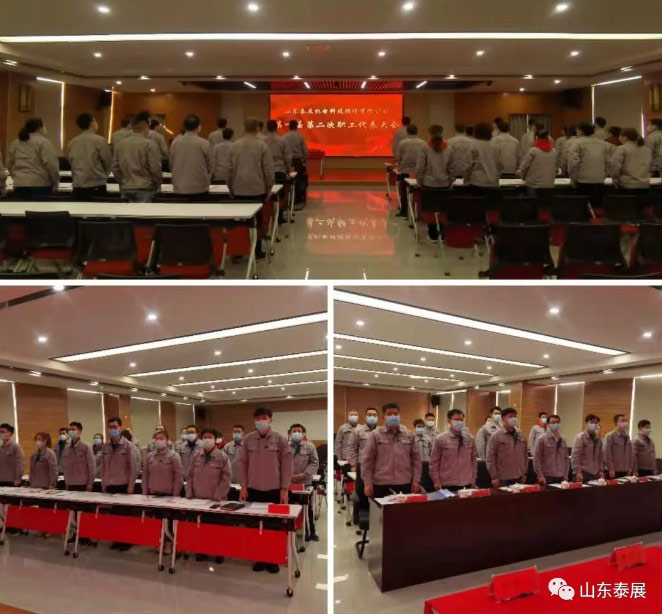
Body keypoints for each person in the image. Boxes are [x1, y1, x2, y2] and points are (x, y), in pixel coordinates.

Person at [238, 407, 293, 573]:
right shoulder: (248, 439)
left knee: (273, 526)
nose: (261, 421)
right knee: (255, 525)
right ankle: (260, 557)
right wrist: (243, 486)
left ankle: (273, 559)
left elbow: (287, 465)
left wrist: (284, 488)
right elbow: (242, 463)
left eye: (264, 418)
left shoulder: (280, 439)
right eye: (258, 418)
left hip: (274, 490)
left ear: (270, 420)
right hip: (253, 489)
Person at [361, 403, 422, 499]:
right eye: (389, 414)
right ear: (383, 417)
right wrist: (367, 483)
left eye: (395, 414)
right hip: (382, 483)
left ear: (399, 415)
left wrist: (416, 480)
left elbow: (416, 460)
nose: (393, 416)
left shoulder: (409, 435)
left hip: (404, 482)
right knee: (382, 509)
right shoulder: (375, 435)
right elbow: (367, 461)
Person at [142, 429, 183, 555]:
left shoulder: (174, 456)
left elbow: (178, 476)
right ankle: (159, 540)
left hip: (169, 495)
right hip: (154, 493)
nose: (158, 441)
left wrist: (176, 495)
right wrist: (145, 492)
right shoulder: (150, 456)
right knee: (157, 520)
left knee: (169, 521)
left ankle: (169, 542)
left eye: (161, 438)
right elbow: (145, 475)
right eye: (156, 439)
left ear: (167, 440)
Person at [112, 109, 162, 202]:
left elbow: (115, 168)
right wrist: (157, 184)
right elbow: (155, 168)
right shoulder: (150, 145)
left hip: (126, 187)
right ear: (146, 128)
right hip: (145, 187)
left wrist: (122, 182)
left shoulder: (120, 145)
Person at [415, 125, 454, 241]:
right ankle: (442, 233)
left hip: (428, 184)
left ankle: (432, 235)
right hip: (444, 184)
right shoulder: (449, 148)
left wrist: (419, 181)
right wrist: (450, 181)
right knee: (443, 210)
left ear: (430, 133)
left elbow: (420, 167)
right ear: (442, 133)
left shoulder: (424, 147)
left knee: (430, 210)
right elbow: (452, 168)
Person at [7, 117, 59, 199]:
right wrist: (55, 181)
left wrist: (16, 177)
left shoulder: (15, 143)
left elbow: (10, 164)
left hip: (19, 184)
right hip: (40, 184)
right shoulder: (43, 142)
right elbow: (51, 164)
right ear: (39, 128)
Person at [66, 112, 112, 200]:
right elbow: (107, 161)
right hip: (96, 184)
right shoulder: (99, 140)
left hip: (78, 184)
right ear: (92, 122)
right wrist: (103, 175)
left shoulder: (72, 142)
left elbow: (70, 161)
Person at [430, 409, 478, 491]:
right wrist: (436, 480)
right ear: (449, 421)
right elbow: (434, 462)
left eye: (461, 420)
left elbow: (473, 460)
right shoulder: (440, 439)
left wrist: (474, 477)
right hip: (447, 483)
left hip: (466, 482)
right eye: (456, 420)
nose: (459, 422)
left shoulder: (470, 438)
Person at [567, 121, 611, 209]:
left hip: (582, 180)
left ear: (580, 131)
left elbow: (573, 163)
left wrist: (573, 178)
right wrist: (604, 175)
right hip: (599, 180)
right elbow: (608, 162)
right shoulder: (603, 144)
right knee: (597, 207)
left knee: (583, 207)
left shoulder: (577, 143)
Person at [169, 114, 213, 198]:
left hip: (179, 187)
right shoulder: (204, 143)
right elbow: (211, 165)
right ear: (198, 127)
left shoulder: (175, 143)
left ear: (184, 127)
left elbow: (171, 164)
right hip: (199, 187)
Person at [289, 424, 319, 541]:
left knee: (307, 508)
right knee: (289, 508)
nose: (296, 433)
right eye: (294, 431)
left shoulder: (309, 446)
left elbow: (314, 463)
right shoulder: (285, 447)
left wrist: (303, 475)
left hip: (305, 482)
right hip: (289, 483)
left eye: (299, 431)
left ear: (303, 434)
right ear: (290, 433)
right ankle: (291, 531)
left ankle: (311, 532)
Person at [486, 407, 528, 487]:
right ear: (503, 419)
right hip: (503, 478)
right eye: (510, 417)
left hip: (519, 476)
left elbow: (525, 455)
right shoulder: (496, 436)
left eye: (515, 416)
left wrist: (524, 473)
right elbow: (490, 457)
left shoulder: (520, 434)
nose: (514, 419)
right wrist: (494, 477)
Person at [395, 124, 426, 217]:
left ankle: (404, 212)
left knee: (404, 192)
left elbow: (398, 157)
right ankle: (420, 212)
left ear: (407, 132)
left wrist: (401, 164)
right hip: (418, 171)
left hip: (405, 170)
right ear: (417, 131)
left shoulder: (402, 143)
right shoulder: (423, 143)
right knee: (419, 191)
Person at [518, 129, 558, 195]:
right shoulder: (554, 152)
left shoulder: (533, 151)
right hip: (550, 185)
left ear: (536, 138)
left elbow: (523, 167)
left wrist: (523, 177)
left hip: (534, 186)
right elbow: (556, 168)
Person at [533, 415, 569, 485]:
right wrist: (540, 475)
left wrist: (566, 474)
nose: (555, 424)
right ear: (548, 424)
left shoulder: (563, 440)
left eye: (557, 422)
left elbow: (566, 459)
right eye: (553, 422)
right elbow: (537, 459)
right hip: (547, 476)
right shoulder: (542, 439)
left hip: (561, 475)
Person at [464, 122, 500, 189]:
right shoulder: (495, 146)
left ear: (476, 132)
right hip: (493, 182)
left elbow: (468, 164)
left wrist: (466, 177)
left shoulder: (473, 145)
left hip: (477, 181)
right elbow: (498, 163)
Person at [571, 414, 605, 483]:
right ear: (586, 423)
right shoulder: (580, 437)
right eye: (591, 422)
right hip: (582, 473)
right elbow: (575, 456)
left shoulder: (598, 439)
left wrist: (601, 470)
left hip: (595, 473)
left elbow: (601, 456)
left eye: (595, 423)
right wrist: (577, 472)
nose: (594, 425)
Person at [62, 421, 95, 491]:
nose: (71, 432)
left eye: (73, 430)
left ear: (80, 431)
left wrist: (90, 483)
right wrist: (66, 482)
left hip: (83, 483)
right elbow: (66, 467)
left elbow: (91, 466)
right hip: (70, 482)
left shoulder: (86, 446)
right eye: (69, 430)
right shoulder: (67, 447)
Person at [604, 414, 634, 478]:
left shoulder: (627, 436)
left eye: (626, 421)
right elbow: (607, 454)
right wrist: (610, 469)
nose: (625, 423)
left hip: (625, 470)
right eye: (622, 421)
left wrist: (630, 467)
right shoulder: (610, 436)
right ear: (616, 423)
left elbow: (630, 453)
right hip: (613, 471)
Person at [224, 424, 245, 499]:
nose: (236, 434)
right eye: (234, 432)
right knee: (231, 501)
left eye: (238, 432)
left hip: (243, 482)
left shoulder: (247, 446)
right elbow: (223, 463)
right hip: (231, 482)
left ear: (243, 433)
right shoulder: (227, 446)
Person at [413, 419, 434, 492]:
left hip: (427, 465)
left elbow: (432, 452)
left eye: (422, 427)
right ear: (415, 427)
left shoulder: (428, 439)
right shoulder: (411, 438)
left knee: (427, 484)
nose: (420, 428)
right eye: (418, 426)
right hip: (416, 466)